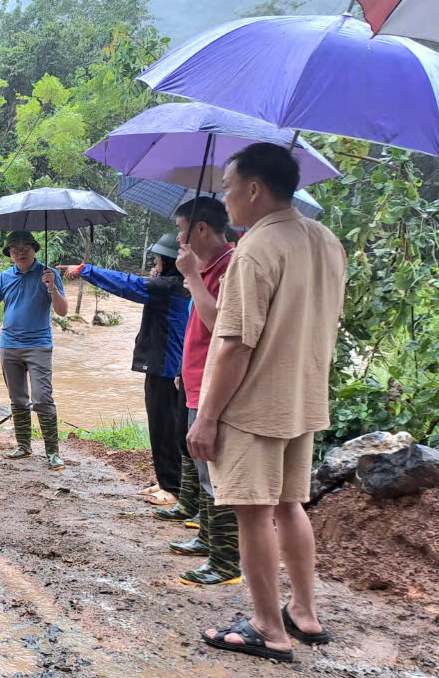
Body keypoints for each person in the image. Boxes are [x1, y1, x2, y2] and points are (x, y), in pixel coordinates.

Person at [191, 143, 344, 662]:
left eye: (229, 189)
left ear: (254, 189)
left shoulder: (256, 248)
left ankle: (268, 628)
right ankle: (304, 612)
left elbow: (235, 343)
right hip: (302, 399)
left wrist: (207, 417)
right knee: (289, 505)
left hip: (255, 405)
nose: (226, 200)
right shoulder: (325, 240)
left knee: (253, 512)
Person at [57, 232, 191, 506]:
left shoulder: (167, 288)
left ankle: (173, 487)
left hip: (166, 366)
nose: (154, 262)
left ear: (168, 262)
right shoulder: (175, 285)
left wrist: (85, 269)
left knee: (165, 426)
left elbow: (125, 284)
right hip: (166, 364)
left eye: (157, 259)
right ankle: (167, 481)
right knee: (162, 425)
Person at [167, 196, 242, 586]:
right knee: (202, 465)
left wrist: (192, 278)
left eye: (181, 230)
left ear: (200, 229)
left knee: (216, 473)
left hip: (212, 386)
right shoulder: (207, 266)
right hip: (195, 379)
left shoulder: (231, 266)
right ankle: (208, 540)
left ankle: (227, 562)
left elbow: (220, 326)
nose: (179, 239)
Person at [0, 230, 68, 469]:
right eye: (14, 249)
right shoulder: (4, 277)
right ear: (9, 253)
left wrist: (52, 287)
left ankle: (52, 452)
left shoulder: (48, 274)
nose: (20, 252)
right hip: (9, 345)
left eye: (25, 248)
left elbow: (62, 311)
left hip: (39, 345)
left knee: (42, 397)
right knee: (17, 397)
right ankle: (23, 446)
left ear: (34, 248)